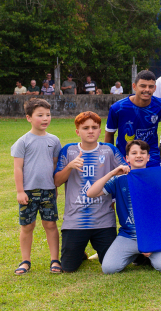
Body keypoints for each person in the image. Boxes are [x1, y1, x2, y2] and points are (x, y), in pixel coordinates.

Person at [85, 140, 161, 274]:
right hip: (128, 235)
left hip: (152, 234)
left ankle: (151, 252)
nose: (138, 155)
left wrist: (153, 242)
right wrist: (112, 173)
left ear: (148, 157)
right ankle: (135, 253)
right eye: (134, 153)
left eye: (142, 153)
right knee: (109, 268)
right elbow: (91, 193)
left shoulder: (156, 178)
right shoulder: (119, 179)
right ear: (127, 158)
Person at [53, 112, 126, 272]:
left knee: (112, 264)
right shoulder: (69, 150)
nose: (90, 131)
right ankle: (79, 252)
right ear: (77, 131)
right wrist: (69, 166)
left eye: (94, 127)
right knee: (69, 268)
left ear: (100, 130)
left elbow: (126, 173)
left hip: (104, 220)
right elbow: (57, 181)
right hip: (75, 220)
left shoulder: (109, 150)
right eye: (85, 128)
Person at [11, 98, 62, 275]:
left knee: (50, 224)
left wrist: (55, 188)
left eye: (48, 114)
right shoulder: (23, 142)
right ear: (29, 118)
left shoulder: (54, 140)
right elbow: (18, 168)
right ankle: (25, 261)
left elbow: (55, 166)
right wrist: (20, 191)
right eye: (40, 115)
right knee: (27, 226)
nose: (45, 118)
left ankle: (55, 260)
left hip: (48, 191)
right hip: (28, 192)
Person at [105, 70, 161, 167]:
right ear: (134, 86)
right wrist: (110, 159)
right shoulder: (118, 108)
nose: (147, 89)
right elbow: (109, 134)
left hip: (152, 158)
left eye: (150, 86)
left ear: (155, 88)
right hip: (125, 159)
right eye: (143, 86)